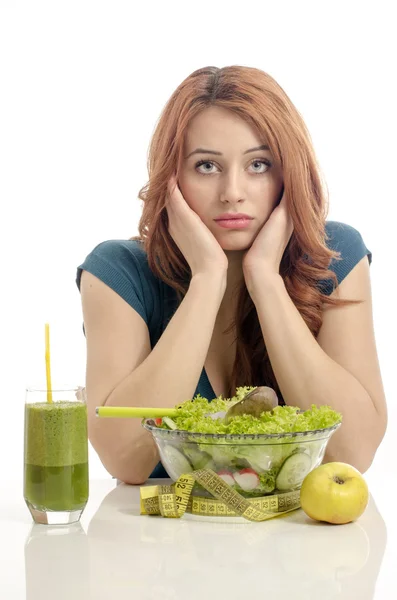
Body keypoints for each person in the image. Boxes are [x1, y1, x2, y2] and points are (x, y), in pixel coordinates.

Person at [76, 65, 387, 484]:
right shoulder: (118, 271)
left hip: (299, 545)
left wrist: (265, 280)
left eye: (258, 164)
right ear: (171, 178)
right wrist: (207, 279)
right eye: (206, 166)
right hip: (158, 545)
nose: (232, 192)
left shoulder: (334, 255)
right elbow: (125, 459)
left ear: (288, 174)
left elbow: (352, 454)